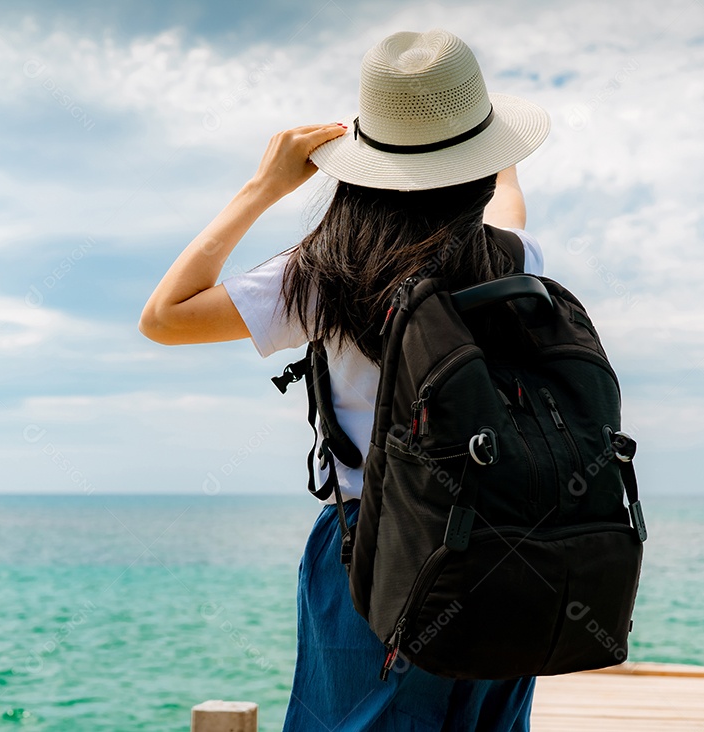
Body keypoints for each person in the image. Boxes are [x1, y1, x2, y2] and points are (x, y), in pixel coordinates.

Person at [140, 28, 549, 732]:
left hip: (378, 552)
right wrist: (482, 136)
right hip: (511, 550)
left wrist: (262, 187)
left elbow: (164, 317)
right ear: (482, 164)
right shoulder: (514, 258)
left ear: (365, 162)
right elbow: (507, 198)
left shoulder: (326, 275)